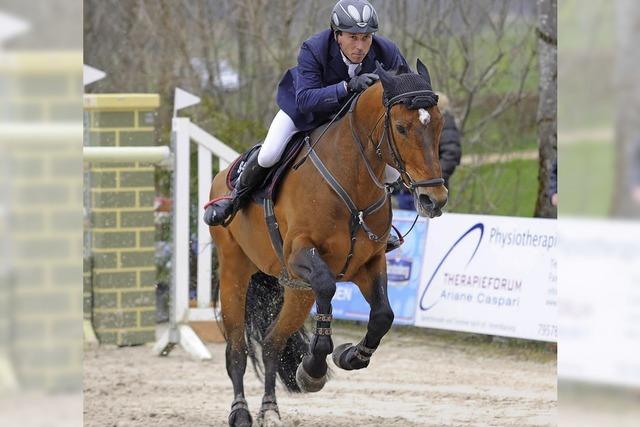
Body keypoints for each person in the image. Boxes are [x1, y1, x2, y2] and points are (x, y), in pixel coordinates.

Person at [205, 0, 410, 250]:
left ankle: (379, 227)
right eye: (353, 37)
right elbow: (305, 99)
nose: (360, 46)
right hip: (304, 111)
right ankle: (234, 199)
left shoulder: (386, 50)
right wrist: (346, 87)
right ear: (337, 35)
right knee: (270, 153)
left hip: (350, 124)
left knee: (392, 172)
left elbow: (405, 84)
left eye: (366, 38)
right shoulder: (314, 48)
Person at [396, 92, 461, 210]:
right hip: (413, 185)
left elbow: (451, 154)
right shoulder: (423, 124)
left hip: (432, 189)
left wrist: (433, 177)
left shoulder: (445, 124)